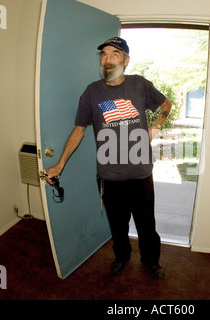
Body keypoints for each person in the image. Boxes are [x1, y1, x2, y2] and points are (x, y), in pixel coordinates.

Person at [45, 37, 172, 279]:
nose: (108, 59)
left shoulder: (140, 85)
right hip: (109, 177)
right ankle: (122, 256)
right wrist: (60, 164)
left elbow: (166, 104)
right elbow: (79, 129)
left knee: (147, 225)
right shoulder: (92, 92)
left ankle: (150, 261)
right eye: (104, 55)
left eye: (115, 54)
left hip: (141, 173)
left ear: (125, 60)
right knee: (118, 225)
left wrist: (154, 128)